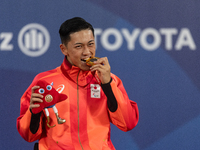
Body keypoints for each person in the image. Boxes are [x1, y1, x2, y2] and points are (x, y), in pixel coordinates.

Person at [17, 17, 139, 150]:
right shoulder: (44, 81)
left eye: (91, 44)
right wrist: (34, 113)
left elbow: (128, 123)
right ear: (64, 49)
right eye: (79, 46)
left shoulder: (109, 79)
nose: (87, 52)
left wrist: (107, 83)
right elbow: (28, 135)